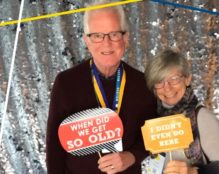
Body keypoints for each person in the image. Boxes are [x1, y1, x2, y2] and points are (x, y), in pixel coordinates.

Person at [46, 1, 157, 173]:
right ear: (86, 40)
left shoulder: (143, 84)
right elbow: (54, 150)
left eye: (114, 34)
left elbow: (150, 137)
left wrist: (131, 156)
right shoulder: (66, 83)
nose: (106, 43)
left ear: (126, 38)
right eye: (97, 35)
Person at [144, 49, 219, 174]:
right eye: (160, 82)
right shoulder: (151, 122)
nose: (167, 87)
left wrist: (192, 171)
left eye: (174, 79)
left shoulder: (202, 117)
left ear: (187, 79)